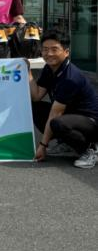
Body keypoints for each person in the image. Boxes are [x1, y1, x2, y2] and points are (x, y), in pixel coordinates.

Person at [31, 29, 98, 169]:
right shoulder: (49, 69)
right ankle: (68, 143)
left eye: (54, 49)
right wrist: (28, 72)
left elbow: (55, 114)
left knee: (57, 122)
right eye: (45, 49)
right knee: (34, 107)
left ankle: (90, 149)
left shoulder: (71, 77)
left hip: (91, 123)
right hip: (71, 116)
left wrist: (43, 145)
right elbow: (36, 96)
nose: (49, 54)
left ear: (66, 52)